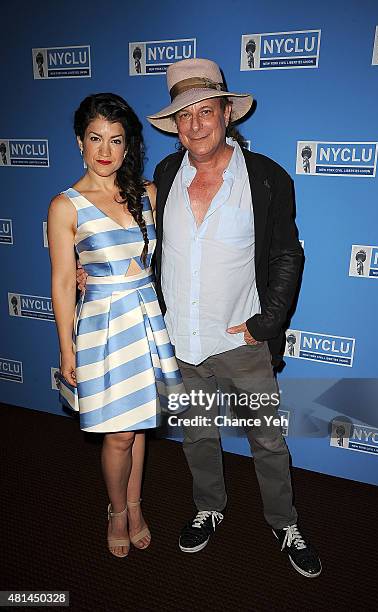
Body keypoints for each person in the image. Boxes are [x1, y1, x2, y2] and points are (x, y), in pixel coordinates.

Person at [147, 58, 322, 578]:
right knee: (198, 432)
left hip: (241, 339)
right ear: (175, 126)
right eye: (184, 115)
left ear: (227, 114)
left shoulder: (266, 177)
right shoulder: (163, 176)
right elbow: (145, 245)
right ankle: (209, 507)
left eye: (206, 110)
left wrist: (265, 322)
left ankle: (283, 522)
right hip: (181, 339)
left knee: (267, 438)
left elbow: (288, 254)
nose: (195, 124)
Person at [48, 93, 184, 558]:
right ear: (79, 142)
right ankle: (116, 510)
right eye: (95, 138)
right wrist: (67, 350)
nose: (105, 150)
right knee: (118, 432)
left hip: (145, 319)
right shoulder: (66, 206)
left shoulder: (145, 194)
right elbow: (64, 282)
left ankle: (135, 503)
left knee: (139, 425)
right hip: (103, 328)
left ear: (128, 147)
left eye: (116, 140)